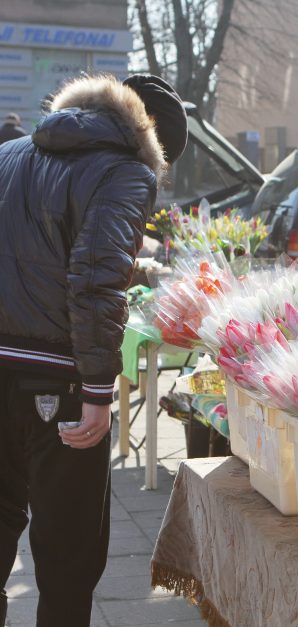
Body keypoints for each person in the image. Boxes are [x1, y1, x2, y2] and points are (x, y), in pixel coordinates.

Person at [0, 73, 187, 626]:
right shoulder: (126, 171)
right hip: (56, 379)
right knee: (69, 554)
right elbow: (96, 282)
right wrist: (100, 392)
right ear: (151, 142)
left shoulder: (11, 153)